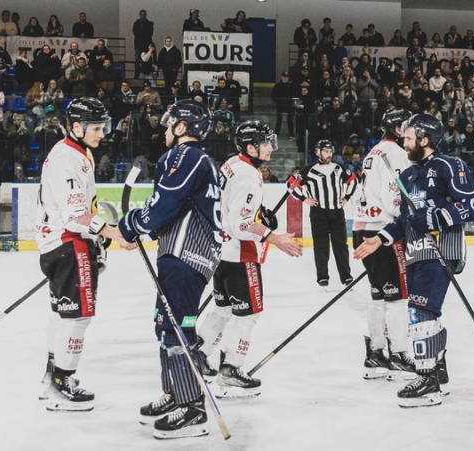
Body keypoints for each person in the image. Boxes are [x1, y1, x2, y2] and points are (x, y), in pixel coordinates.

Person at [353, 113, 474, 408]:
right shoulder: (408, 175)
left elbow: (472, 205)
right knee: (426, 313)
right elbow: (404, 221)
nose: (405, 142)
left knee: (419, 313)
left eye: (409, 138)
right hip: (414, 254)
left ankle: (428, 378)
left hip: (440, 252)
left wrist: (435, 218)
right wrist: (380, 238)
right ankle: (438, 370)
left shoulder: (450, 165)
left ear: (425, 140)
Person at [118, 100, 221, 438]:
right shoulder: (194, 160)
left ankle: (192, 408)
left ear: (181, 129)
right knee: (166, 326)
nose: (165, 131)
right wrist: (141, 223)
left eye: (169, 125)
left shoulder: (186, 155)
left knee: (177, 328)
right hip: (183, 256)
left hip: (186, 255)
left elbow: (165, 202)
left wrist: (133, 223)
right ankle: (175, 393)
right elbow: (166, 205)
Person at [36, 98, 136, 412]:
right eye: (96, 127)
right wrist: (112, 232)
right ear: (76, 127)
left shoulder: (77, 152)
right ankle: (61, 384)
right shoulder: (68, 158)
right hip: (68, 244)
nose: (102, 132)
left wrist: (96, 232)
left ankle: (52, 378)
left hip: (59, 244)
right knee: (77, 316)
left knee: (61, 313)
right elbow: (75, 215)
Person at [196, 120, 302, 398]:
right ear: (251, 147)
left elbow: (233, 206)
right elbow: (240, 224)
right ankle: (231, 370)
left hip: (221, 252)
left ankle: (201, 352)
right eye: (265, 143)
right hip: (240, 255)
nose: (271, 148)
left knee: (222, 309)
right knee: (248, 314)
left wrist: (260, 212)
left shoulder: (233, 164)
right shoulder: (247, 174)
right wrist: (274, 236)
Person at [352, 108, 415, 381]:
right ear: (399, 129)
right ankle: (400, 354)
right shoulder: (397, 154)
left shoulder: (373, 151)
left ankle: (376, 355)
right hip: (384, 233)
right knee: (399, 299)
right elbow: (394, 197)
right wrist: (410, 220)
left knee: (379, 298)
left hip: (362, 228)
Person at [289, 140, 358, 287]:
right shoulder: (309, 170)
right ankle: (322, 276)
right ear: (318, 152)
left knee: (341, 245)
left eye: (330, 151)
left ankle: (346, 276)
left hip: (337, 212)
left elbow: (353, 181)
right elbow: (291, 184)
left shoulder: (339, 168)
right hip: (318, 213)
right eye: (325, 151)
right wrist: (304, 199)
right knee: (321, 246)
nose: (329, 154)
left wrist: (347, 197)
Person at [132, 10, 154, 79]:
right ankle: (136, 75)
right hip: (138, 45)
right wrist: (144, 33)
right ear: (139, 15)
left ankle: (146, 75)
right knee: (137, 60)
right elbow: (135, 32)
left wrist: (141, 33)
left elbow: (150, 34)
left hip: (146, 45)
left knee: (146, 60)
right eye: (141, 14)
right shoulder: (136, 23)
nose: (142, 16)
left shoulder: (149, 24)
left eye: (144, 14)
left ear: (146, 15)